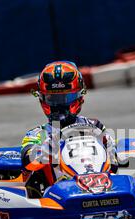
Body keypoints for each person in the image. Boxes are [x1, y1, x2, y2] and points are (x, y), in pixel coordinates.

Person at [21, 61, 118, 197]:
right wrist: (44, 151)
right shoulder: (38, 134)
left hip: (102, 183)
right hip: (56, 193)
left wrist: (111, 147)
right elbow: (27, 159)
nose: (59, 104)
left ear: (80, 96)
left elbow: (114, 165)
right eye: (52, 98)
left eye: (66, 98)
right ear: (42, 99)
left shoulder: (95, 126)